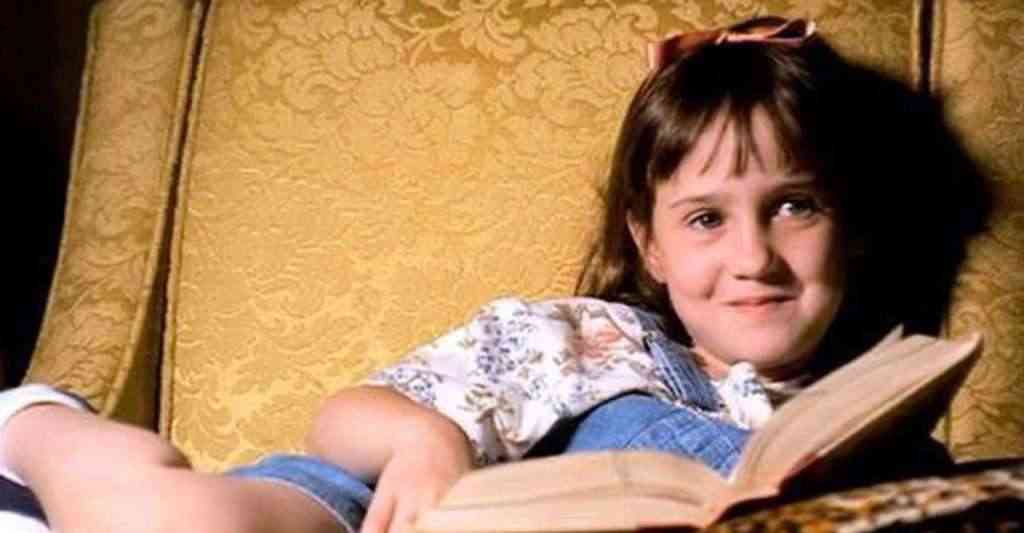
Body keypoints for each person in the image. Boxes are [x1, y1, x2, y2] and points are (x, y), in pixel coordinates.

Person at [0, 15, 988, 533]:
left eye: (794, 206)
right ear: (649, 244)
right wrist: (424, 438)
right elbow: (341, 417)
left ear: (852, 227)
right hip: (366, 513)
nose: (754, 256)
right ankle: (37, 424)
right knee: (174, 522)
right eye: (705, 218)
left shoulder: (876, 413)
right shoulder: (586, 338)